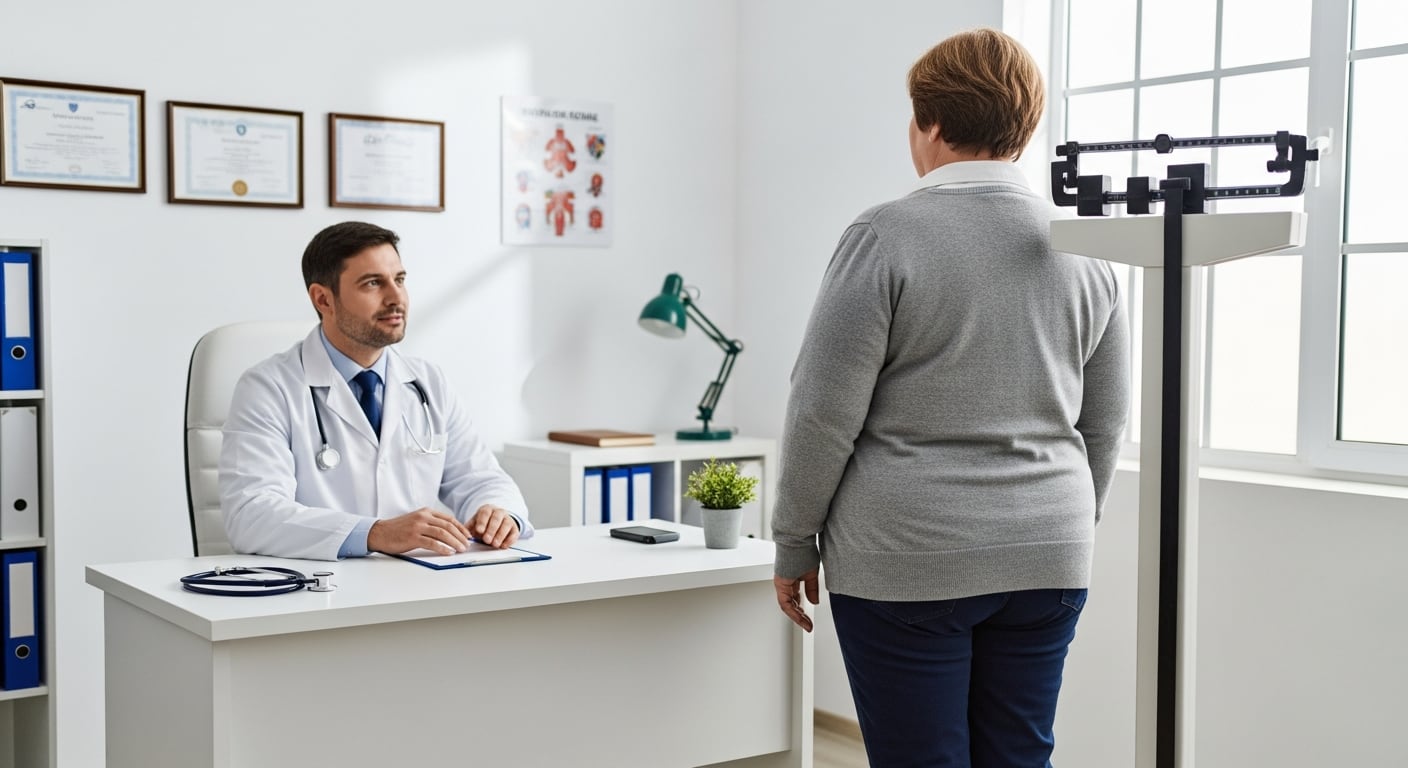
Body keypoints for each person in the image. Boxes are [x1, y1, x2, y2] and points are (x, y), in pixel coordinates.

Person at [770, 28, 1130, 768]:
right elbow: (1106, 418)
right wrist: (1057, 516)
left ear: (930, 125)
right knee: (1019, 756)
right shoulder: (1089, 248)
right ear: (1023, 127)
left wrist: (794, 539)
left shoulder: (885, 235)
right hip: (1050, 554)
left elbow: (822, 409)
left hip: (909, 555)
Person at [220, 221, 533, 561]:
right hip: (320, 592)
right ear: (323, 299)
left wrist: (499, 512)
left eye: (399, 280)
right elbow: (252, 515)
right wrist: (375, 533)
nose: (396, 298)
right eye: (373, 284)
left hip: (417, 583)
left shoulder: (428, 382)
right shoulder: (269, 387)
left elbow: (481, 477)